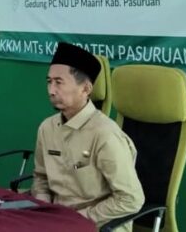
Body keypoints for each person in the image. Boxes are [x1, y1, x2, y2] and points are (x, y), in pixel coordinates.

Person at [32, 42, 144, 232]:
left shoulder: (105, 134)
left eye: (59, 82)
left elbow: (130, 199)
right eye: (49, 81)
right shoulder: (47, 128)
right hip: (56, 220)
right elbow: (41, 177)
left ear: (85, 89)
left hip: (97, 224)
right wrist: (43, 206)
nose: (51, 90)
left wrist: (78, 219)